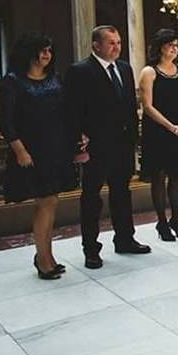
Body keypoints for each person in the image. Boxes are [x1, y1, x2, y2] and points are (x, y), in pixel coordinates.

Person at [0, 33, 81, 279]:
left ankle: (46, 255)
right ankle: (43, 259)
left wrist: (75, 143)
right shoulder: (12, 82)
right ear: (28, 53)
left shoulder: (55, 79)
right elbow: (6, 121)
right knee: (45, 202)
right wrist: (20, 151)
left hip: (56, 148)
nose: (47, 55)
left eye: (49, 51)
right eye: (42, 50)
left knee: (51, 201)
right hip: (31, 150)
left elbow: (66, 113)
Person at [64, 25, 150, 270]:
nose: (117, 47)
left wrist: (135, 139)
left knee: (122, 194)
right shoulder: (79, 71)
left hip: (122, 145)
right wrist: (78, 144)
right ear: (96, 45)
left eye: (119, 42)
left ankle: (124, 239)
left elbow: (130, 107)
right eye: (111, 43)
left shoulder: (124, 68)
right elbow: (71, 112)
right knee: (91, 199)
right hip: (95, 147)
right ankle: (91, 249)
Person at [139, 29, 178, 241]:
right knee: (159, 176)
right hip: (158, 131)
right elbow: (148, 106)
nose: (175, 48)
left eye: (177, 45)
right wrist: (170, 126)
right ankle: (162, 222)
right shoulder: (149, 72)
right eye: (170, 44)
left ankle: (176, 219)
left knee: (177, 176)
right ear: (160, 47)